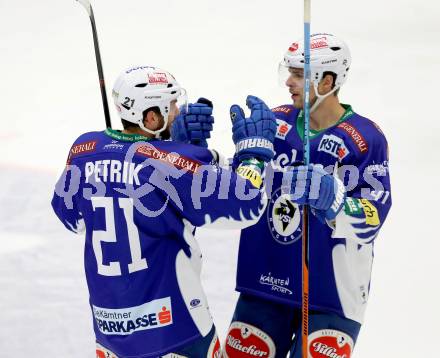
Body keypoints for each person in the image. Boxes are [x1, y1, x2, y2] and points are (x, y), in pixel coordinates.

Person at [51, 65, 277, 358]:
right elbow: (249, 204)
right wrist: (253, 154)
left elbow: (71, 218)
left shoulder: (85, 149)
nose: (177, 113)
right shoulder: (172, 162)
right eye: (170, 106)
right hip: (175, 331)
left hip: (112, 336)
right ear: (151, 116)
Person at [222, 33, 392, 357]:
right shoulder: (272, 122)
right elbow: (236, 195)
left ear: (327, 81)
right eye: (289, 72)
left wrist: (336, 201)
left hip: (331, 296)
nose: (289, 81)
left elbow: (374, 216)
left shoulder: (366, 139)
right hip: (265, 283)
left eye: (299, 74)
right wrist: (246, 158)